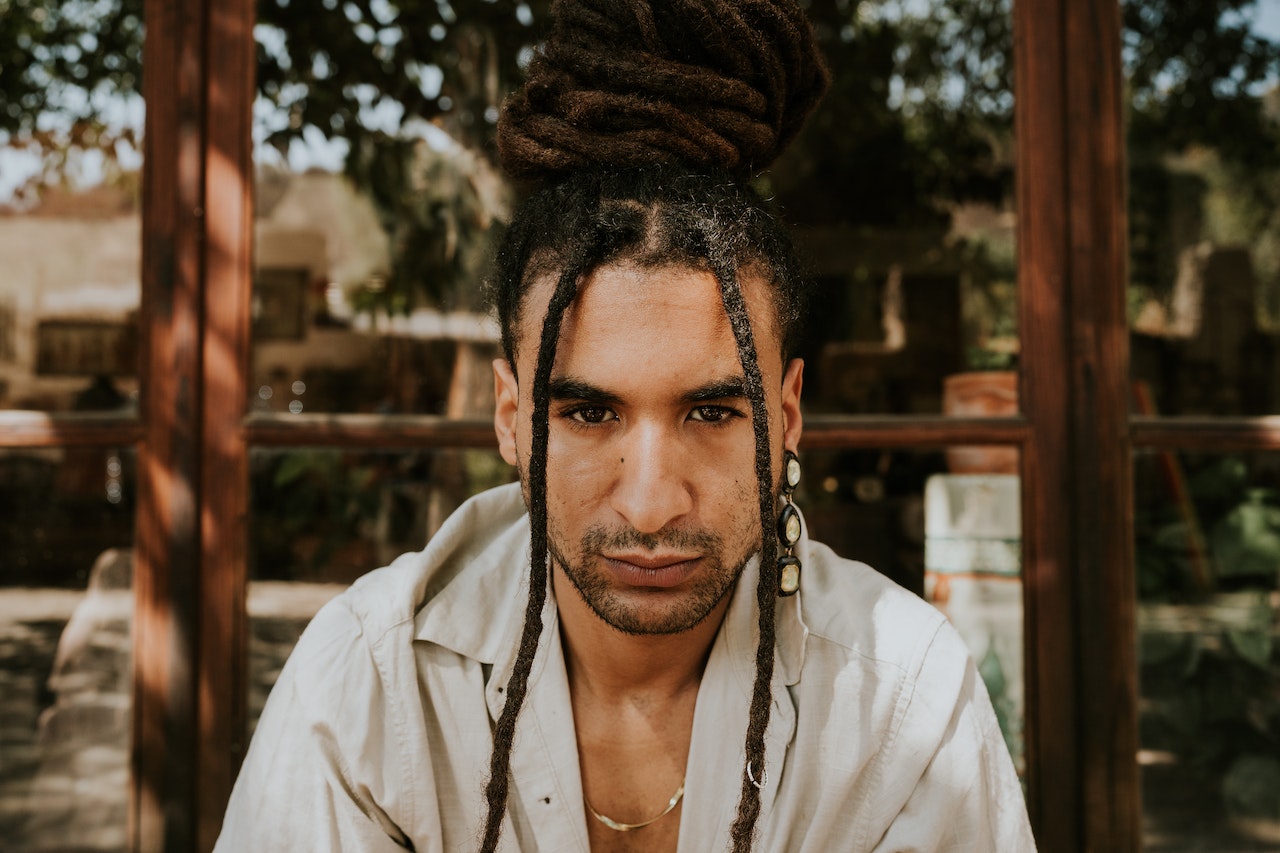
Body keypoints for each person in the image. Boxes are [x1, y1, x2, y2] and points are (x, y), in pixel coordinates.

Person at [215, 1, 1037, 850]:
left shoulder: (902, 702)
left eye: (713, 411)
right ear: (511, 416)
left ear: (787, 416)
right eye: (589, 411)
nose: (650, 506)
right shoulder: (369, 688)